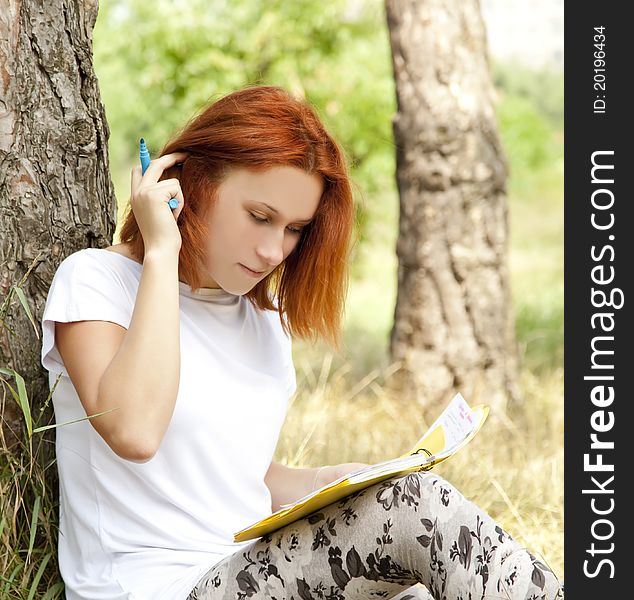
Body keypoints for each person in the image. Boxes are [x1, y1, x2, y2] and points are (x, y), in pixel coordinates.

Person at [40, 85, 561, 600]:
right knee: (413, 510)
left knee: (412, 588)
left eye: (294, 229)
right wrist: (160, 253)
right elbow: (135, 430)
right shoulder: (96, 282)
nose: (272, 250)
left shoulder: (266, 323)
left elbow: (233, 479)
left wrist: (345, 482)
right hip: (156, 586)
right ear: (194, 182)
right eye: (259, 216)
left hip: (250, 570)